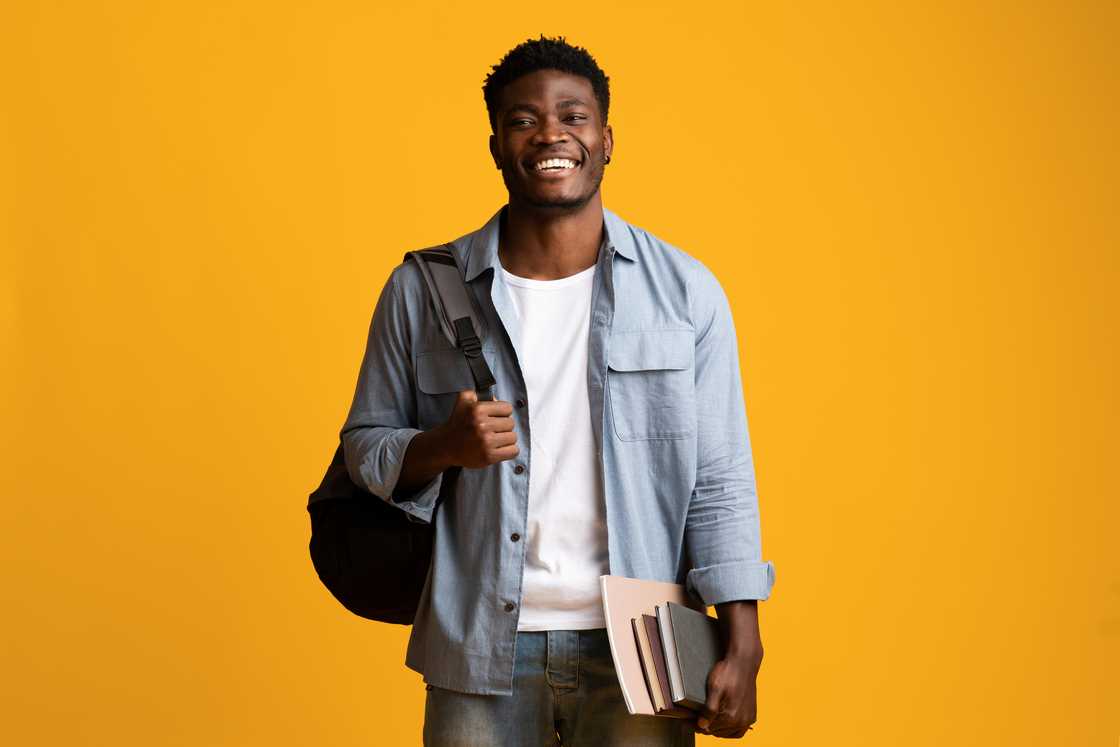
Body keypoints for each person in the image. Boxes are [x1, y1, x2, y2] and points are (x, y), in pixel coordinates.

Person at [340, 35, 776, 746]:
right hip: (479, 646)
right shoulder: (421, 290)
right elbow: (364, 446)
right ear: (495, 145)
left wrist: (743, 637)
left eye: (573, 116)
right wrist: (440, 447)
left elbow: (720, 476)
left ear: (607, 140)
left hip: (644, 650)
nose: (550, 133)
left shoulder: (684, 293)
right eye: (523, 119)